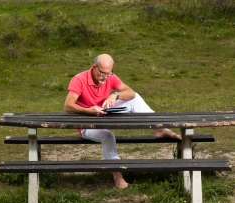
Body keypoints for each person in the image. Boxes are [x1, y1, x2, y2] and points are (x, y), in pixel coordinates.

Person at [64, 53, 181, 189]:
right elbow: (68, 105)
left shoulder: (109, 76)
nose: (105, 77)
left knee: (134, 98)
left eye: (109, 73)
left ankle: (159, 129)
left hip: (103, 111)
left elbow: (130, 92)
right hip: (86, 123)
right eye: (102, 73)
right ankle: (117, 176)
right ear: (94, 67)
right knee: (108, 136)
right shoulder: (79, 79)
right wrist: (89, 110)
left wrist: (115, 94)